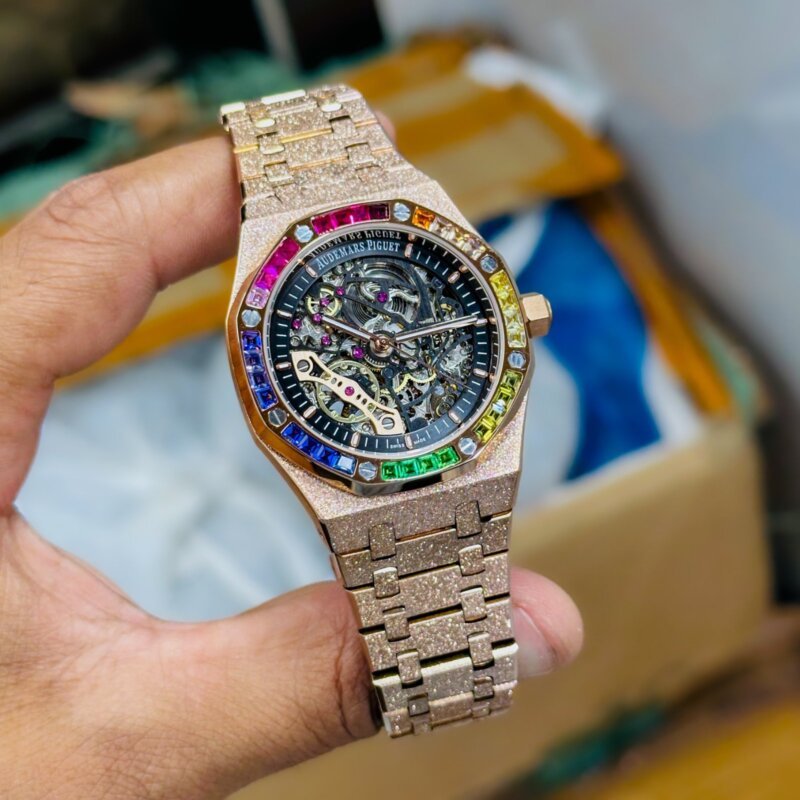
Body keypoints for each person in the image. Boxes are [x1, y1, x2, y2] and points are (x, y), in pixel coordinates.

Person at [0, 134, 583, 799]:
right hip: (366, 444)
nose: (382, 342)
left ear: (519, 319)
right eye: (368, 332)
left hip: (442, 432)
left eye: (393, 326)